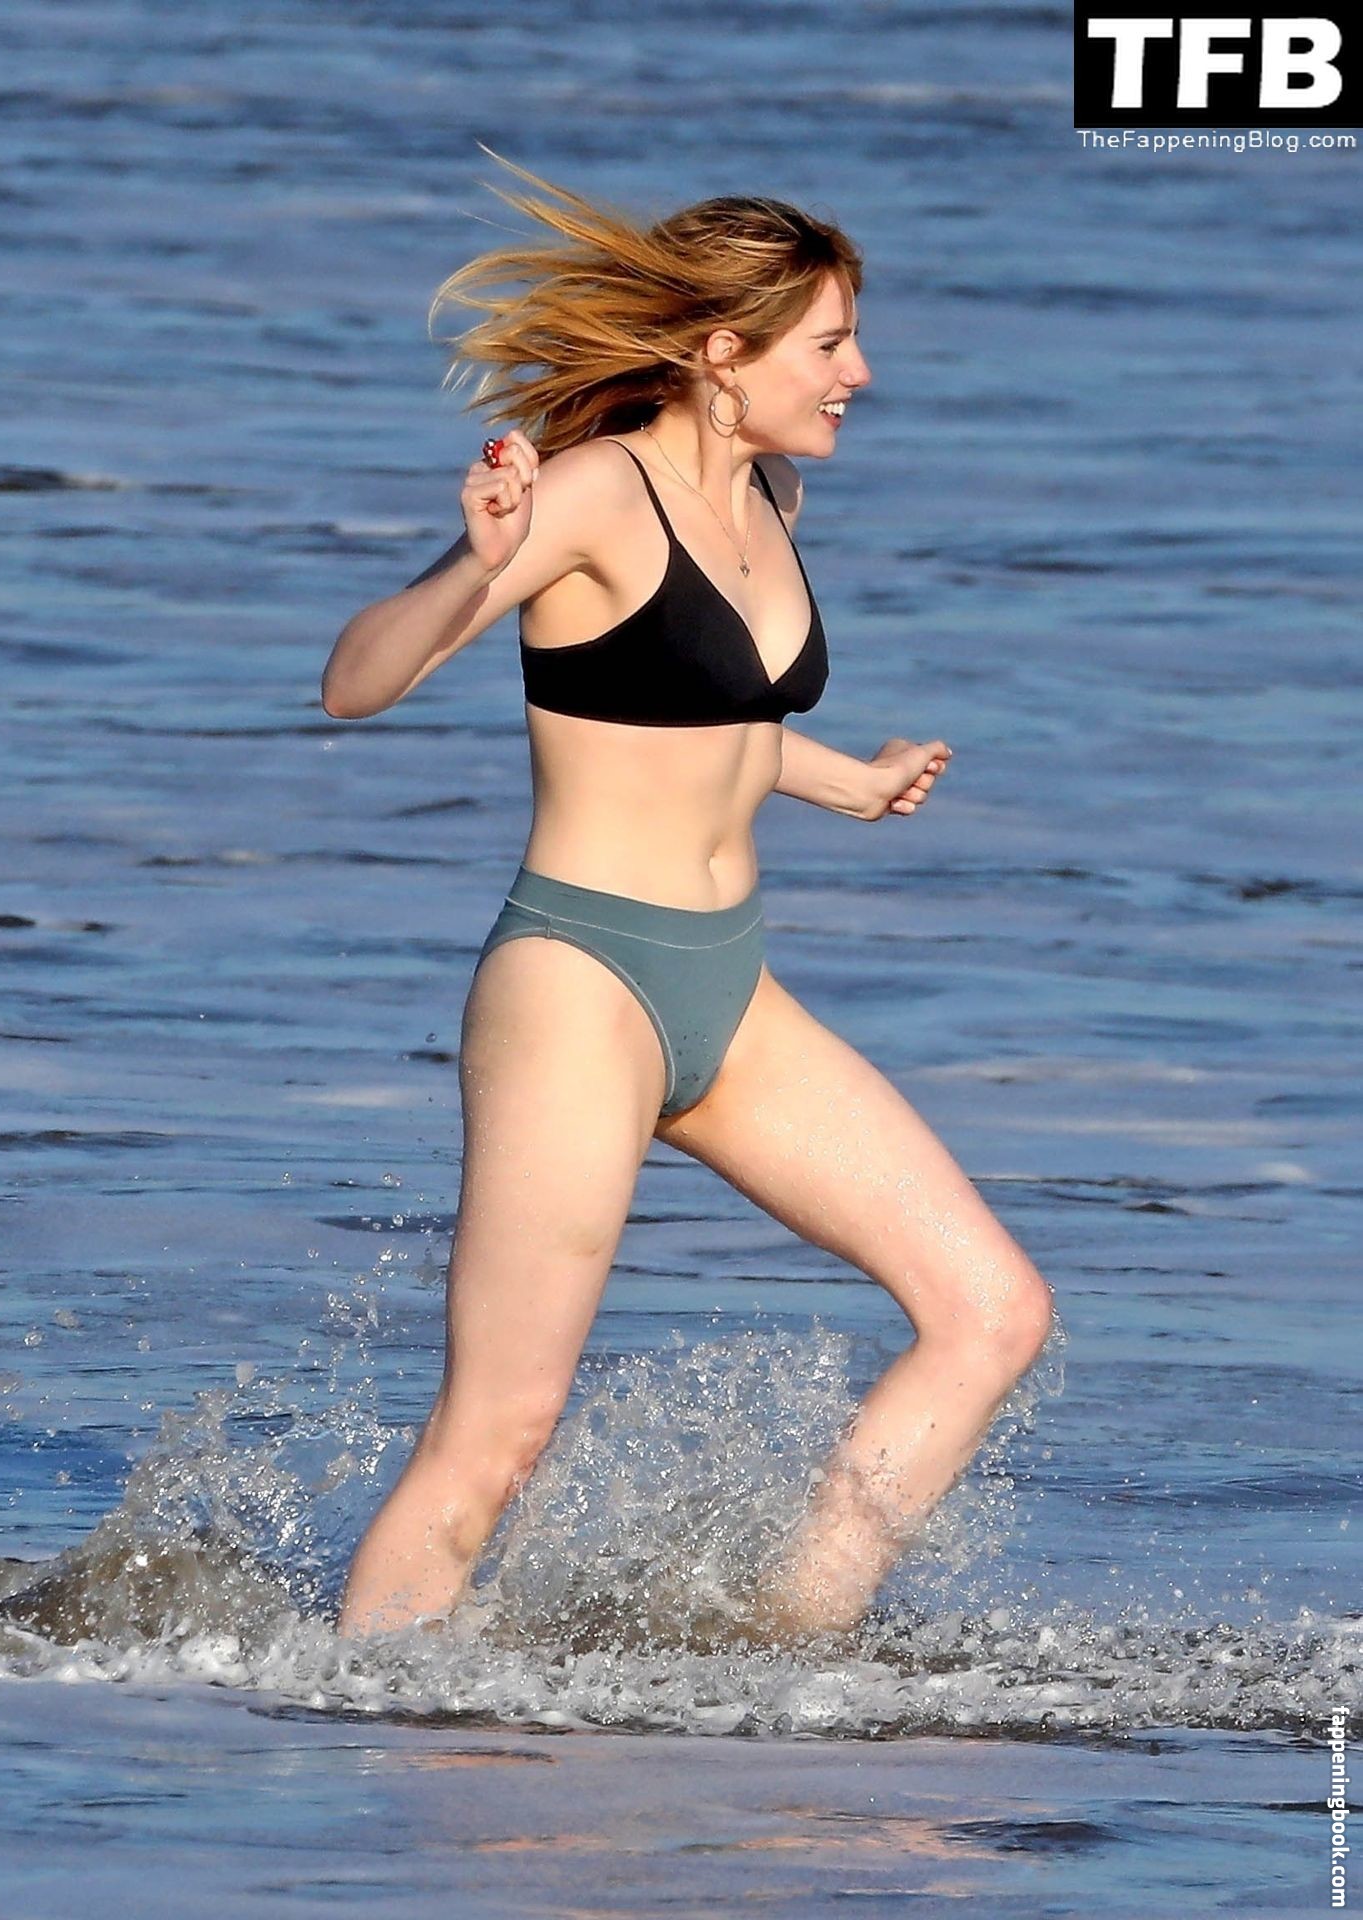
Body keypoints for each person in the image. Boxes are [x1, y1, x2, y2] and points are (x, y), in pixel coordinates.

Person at [321, 150, 1053, 1643]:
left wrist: (844, 780)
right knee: (499, 1435)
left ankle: (789, 1653)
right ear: (725, 355)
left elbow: (693, 709)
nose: (859, 372)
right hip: (581, 987)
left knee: (991, 1313)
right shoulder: (591, 492)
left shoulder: (772, 490)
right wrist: (476, 563)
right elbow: (356, 682)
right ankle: (354, 1714)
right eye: (829, 343)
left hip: (730, 982)